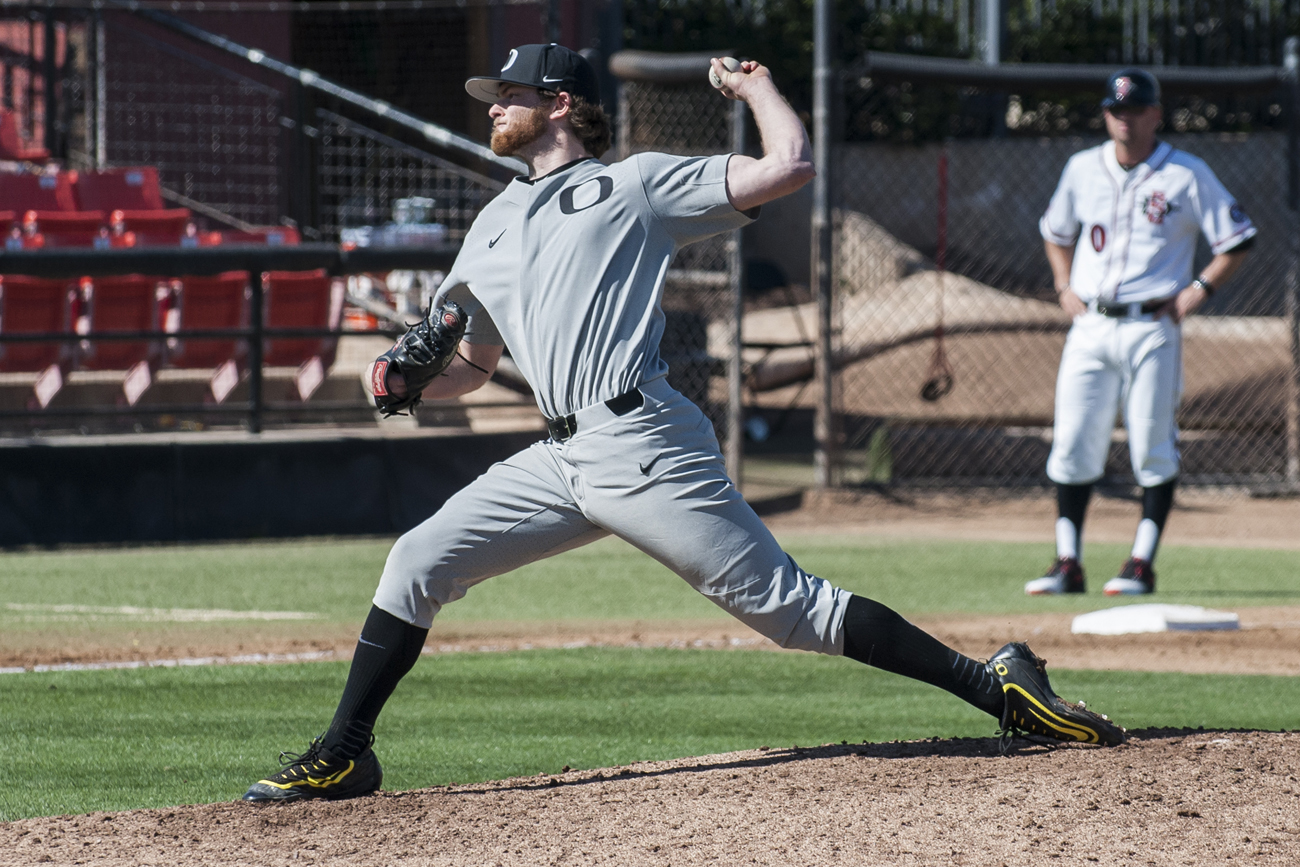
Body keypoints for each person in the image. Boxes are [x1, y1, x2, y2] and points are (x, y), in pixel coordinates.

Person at [243, 44, 1124, 803]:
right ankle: (346, 752)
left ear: (559, 104)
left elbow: (790, 166)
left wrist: (756, 88)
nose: (493, 106)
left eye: (508, 94)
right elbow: (471, 368)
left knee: (790, 611)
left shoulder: (633, 186)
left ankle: (999, 687)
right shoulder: (493, 221)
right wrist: (405, 385)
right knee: (416, 561)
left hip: (641, 441)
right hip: (559, 456)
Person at [1026, 69, 1255, 597]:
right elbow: (1055, 232)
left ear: (1156, 114)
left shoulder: (1187, 173)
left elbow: (1239, 237)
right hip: (1090, 323)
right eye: (1116, 110)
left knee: (1151, 445)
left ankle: (1141, 563)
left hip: (1153, 326)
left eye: (1134, 110)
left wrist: (1199, 288)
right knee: (1072, 443)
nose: (1124, 119)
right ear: (1106, 115)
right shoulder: (1082, 167)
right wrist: (1062, 283)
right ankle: (1068, 562)